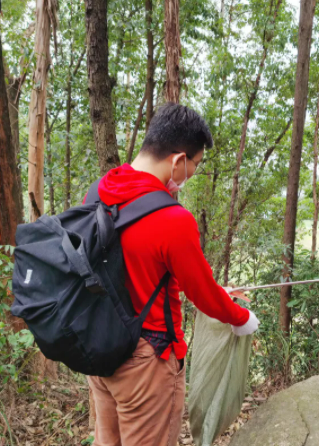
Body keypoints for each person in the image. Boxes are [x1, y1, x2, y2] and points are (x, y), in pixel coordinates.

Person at [87, 103, 259, 446]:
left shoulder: (100, 191)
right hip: (147, 362)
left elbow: (142, 267)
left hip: (100, 349)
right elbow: (202, 295)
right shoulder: (172, 218)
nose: (192, 172)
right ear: (179, 160)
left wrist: (214, 289)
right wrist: (241, 317)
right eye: (195, 164)